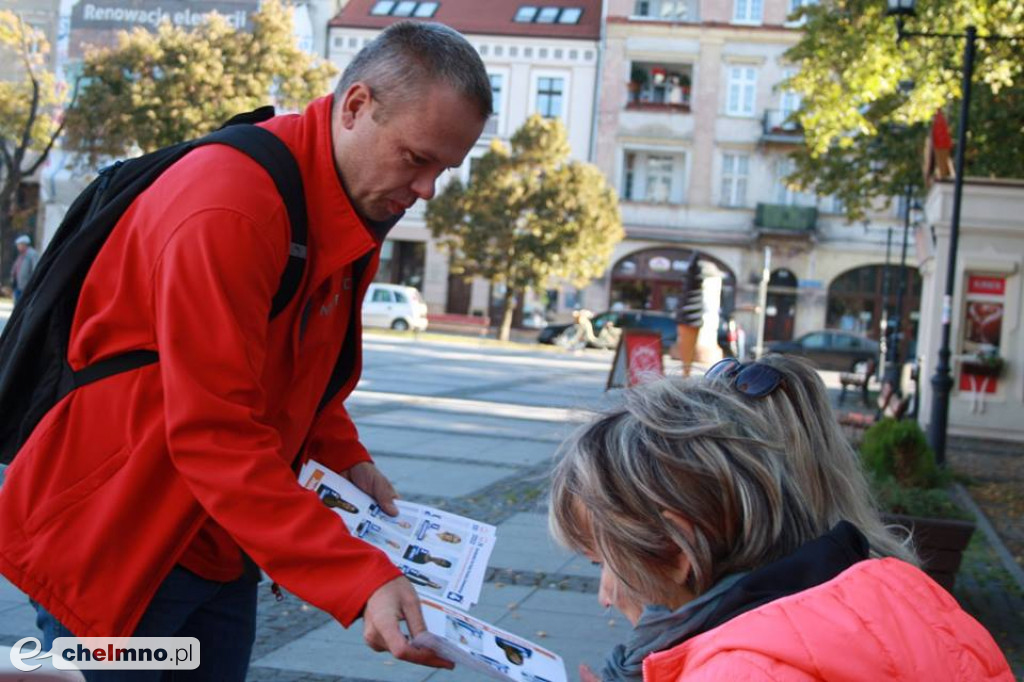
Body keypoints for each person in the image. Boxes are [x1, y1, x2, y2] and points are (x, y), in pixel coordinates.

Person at [0, 20, 490, 680]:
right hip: (120, 539)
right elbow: (213, 434)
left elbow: (296, 370)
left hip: (217, 540)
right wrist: (357, 579)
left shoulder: (346, 202)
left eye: (445, 169)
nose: (428, 187)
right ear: (355, 107)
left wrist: (345, 458)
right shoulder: (232, 207)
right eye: (416, 158)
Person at [549, 355, 1013, 681]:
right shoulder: (899, 589)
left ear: (677, 548)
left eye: (604, 561)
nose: (604, 596)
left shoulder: (743, 669)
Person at [10, 233, 39, 304]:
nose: (18, 247)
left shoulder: (32, 254)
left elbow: (35, 268)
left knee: (22, 305)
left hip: (26, 286)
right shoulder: (21, 255)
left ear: (24, 244)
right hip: (18, 285)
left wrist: (32, 283)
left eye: (19, 245)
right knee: (17, 304)